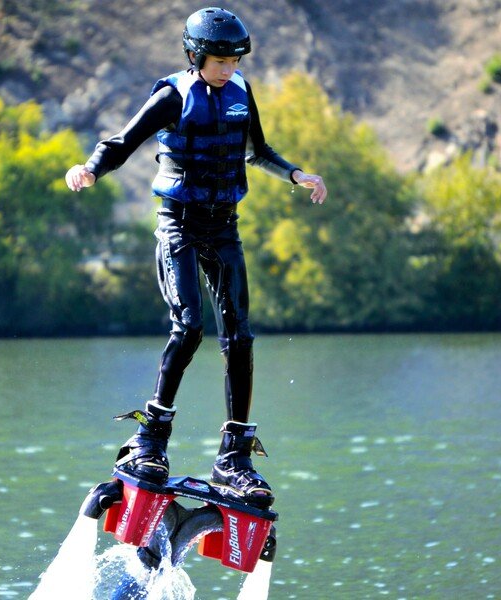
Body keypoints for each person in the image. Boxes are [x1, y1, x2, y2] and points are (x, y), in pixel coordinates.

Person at [66, 7, 327, 508]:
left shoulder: (241, 91)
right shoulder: (172, 95)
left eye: (235, 61)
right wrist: (91, 169)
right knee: (189, 327)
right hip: (180, 224)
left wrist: (296, 175)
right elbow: (122, 143)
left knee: (240, 335)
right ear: (195, 55)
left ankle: (234, 457)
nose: (228, 69)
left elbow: (258, 150)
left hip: (223, 225)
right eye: (220, 60)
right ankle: (149, 440)